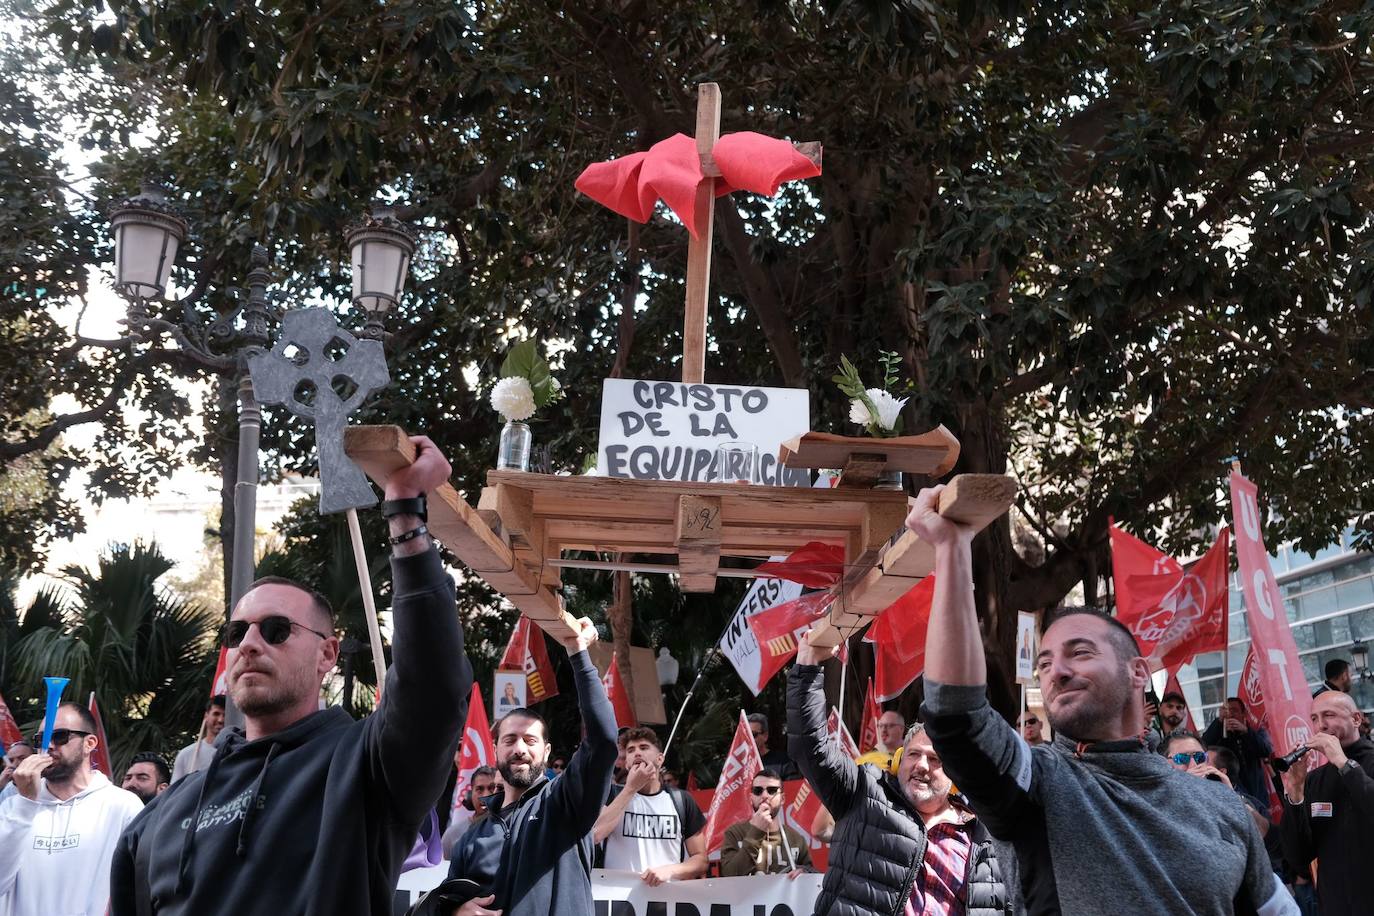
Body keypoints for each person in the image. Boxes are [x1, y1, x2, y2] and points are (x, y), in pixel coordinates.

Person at [111, 436, 471, 916]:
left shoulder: (366, 768)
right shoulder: (164, 810)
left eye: (276, 629)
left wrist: (406, 514)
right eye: (236, 632)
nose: (249, 644)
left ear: (327, 653)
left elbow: (433, 687)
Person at [905, 486, 1297, 915]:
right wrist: (952, 549)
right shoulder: (1040, 782)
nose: (1057, 671)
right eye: (1045, 663)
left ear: (1138, 672)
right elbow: (957, 716)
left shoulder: (1221, 806)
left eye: (1080, 652)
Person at [789, 633, 1013, 915]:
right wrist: (807, 665)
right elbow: (811, 748)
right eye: (914, 754)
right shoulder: (864, 793)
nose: (921, 765)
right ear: (898, 759)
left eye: (935, 759)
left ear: (957, 772)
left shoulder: (986, 836)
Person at [444, 616, 616, 916]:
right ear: (495, 750)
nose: (520, 749)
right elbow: (448, 900)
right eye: (510, 740)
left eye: (530, 740)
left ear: (546, 752)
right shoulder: (471, 837)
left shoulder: (565, 803)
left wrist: (578, 653)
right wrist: (457, 910)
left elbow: (603, 739)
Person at [0, 702, 144, 915]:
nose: (48, 745)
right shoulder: (13, 807)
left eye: (60, 736)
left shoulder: (123, 806)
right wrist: (25, 804)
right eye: (41, 739)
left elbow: (139, 887)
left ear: (89, 743)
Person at [1278, 690, 1374, 916]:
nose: (1320, 725)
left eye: (1329, 715)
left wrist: (1343, 763)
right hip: (1335, 906)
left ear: (1356, 719)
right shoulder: (1315, 779)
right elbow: (1298, 858)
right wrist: (1296, 793)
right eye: (1314, 718)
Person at [594, 726, 706, 884]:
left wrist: (670, 871)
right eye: (631, 750)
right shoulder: (611, 794)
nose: (637, 753)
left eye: (644, 747)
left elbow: (700, 859)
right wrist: (630, 789)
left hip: (668, 896)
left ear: (660, 759)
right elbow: (596, 835)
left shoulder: (682, 800)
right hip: (617, 896)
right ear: (626, 763)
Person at [720, 768, 812, 877]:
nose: (764, 796)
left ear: (782, 799)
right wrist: (756, 832)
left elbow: (810, 875)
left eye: (772, 790)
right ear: (751, 798)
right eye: (758, 791)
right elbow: (729, 875)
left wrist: (804, 873)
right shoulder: (735, 833)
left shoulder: (796, 839)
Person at [1201, 696, 1274, 802]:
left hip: (1257, 793)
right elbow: (1203, 746)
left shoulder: (1255, 729)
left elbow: (1265, 750)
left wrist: (1246, 732)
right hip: (1234, 795)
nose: (1230, 714)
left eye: (1234, 710)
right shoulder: (1219, 733)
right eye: (1226, 711)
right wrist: (1219, 722)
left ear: (1243, 713)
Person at [440, 765, 498, 858]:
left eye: (491, 788)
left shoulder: (511, 830)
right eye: (479, 789)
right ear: (470, 795)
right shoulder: (452, 834)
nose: (485, 795)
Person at [170, 695, 225, 782]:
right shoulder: (186, 755)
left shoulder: (236, 753)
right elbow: (175, 789)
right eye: (216, 714)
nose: (221, 720)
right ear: (206, 716)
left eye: (225, 715)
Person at [748, 712, 797, 779]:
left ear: (765, 736)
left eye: (753, 734)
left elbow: (793, 785)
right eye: (746, 734)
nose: (749, 738)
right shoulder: (739, 765)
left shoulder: (783, 762)